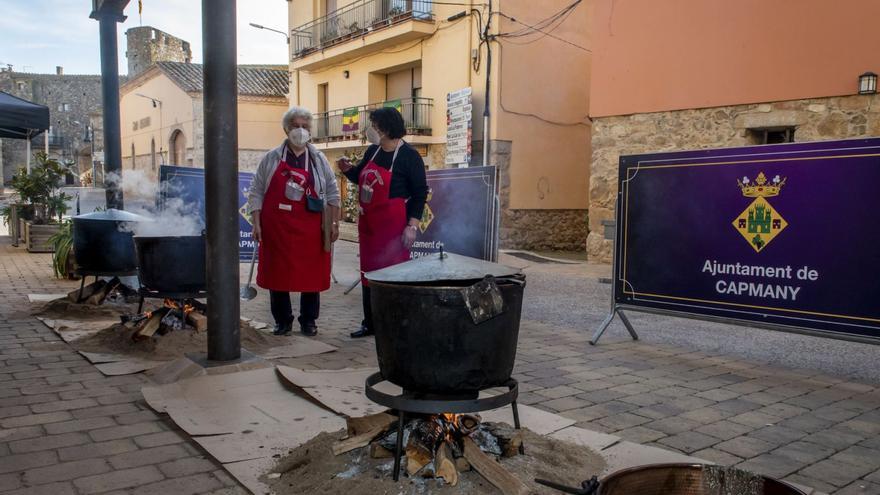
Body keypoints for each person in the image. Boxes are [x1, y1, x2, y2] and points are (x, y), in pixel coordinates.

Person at [247, 106, 340, 336]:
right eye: (296, 126)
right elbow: (256, 192)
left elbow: (333, 192)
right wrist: (256, 223)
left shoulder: (318, 160)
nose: (301, 131)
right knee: (277, 274)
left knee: (312, 275)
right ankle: (283, 321)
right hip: (276, 227)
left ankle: (308, 321)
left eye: (305, 127)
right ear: (287, 129)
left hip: (311, 228)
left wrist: (334, 223)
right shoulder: (271, 158)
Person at [338, 107, 428, 338]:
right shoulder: (372, 151)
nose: (371, 130)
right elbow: (360, 176)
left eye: (375, 126)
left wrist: (412, 226)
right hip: (370, 226)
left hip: (394, 227)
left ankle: (395, 326)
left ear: (387, 129)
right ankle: (370, 324)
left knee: (393, 277)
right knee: (368, 274)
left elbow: (419, 194)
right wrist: (347, 170)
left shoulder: (409, 156)